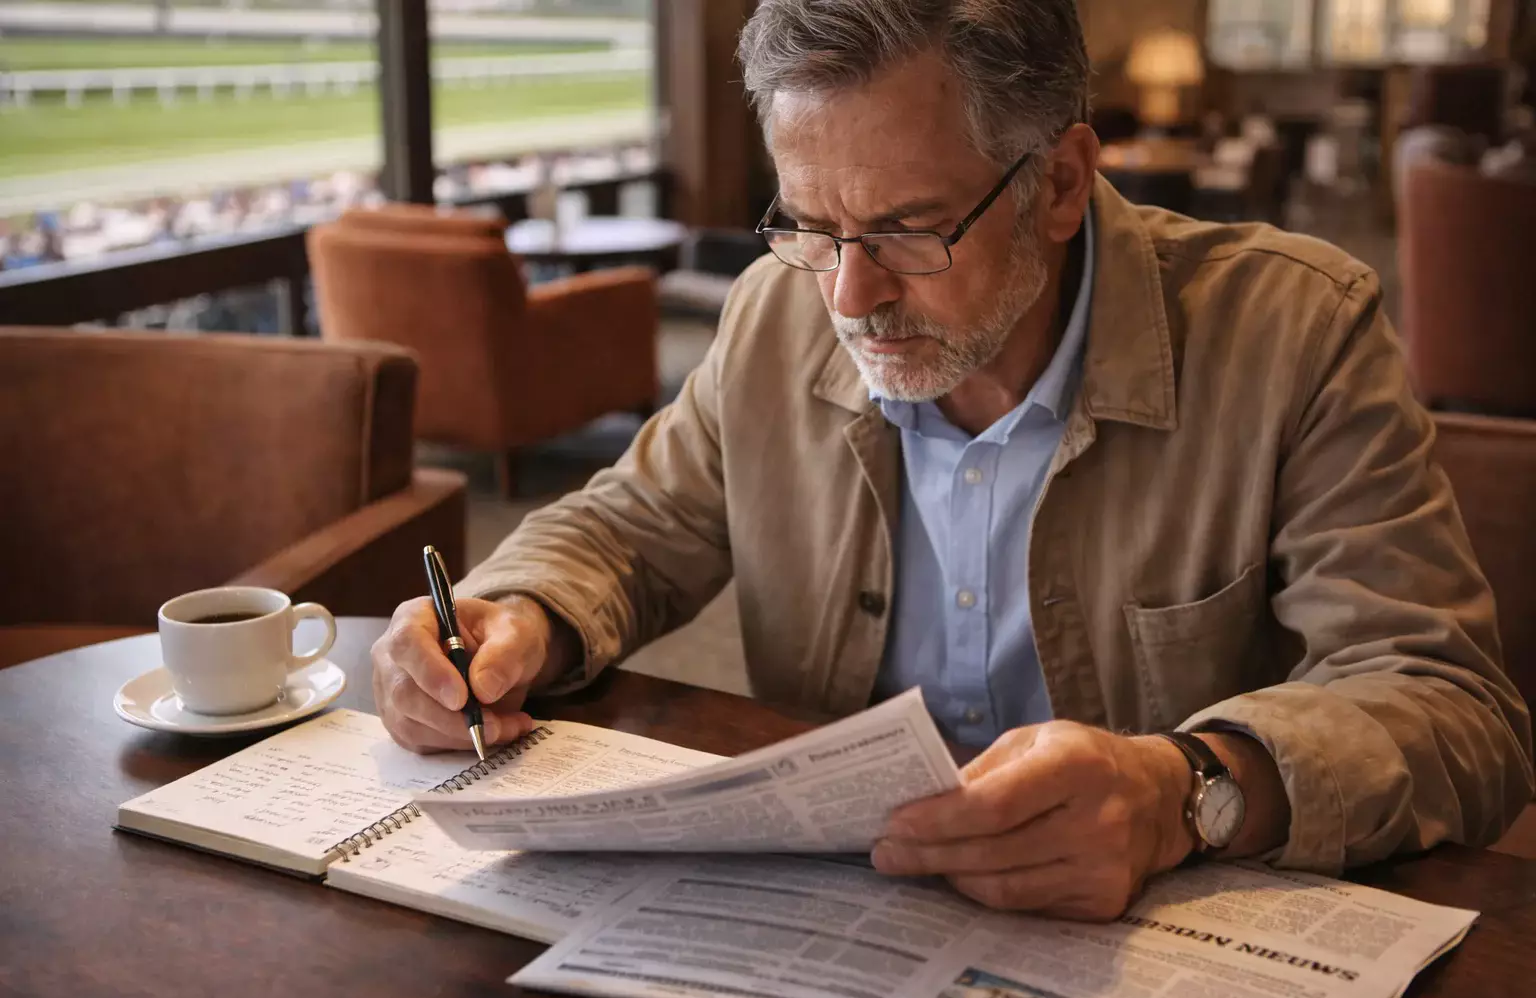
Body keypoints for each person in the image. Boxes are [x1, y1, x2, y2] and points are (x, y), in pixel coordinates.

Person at [371, 0, 1533, 920]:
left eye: (906, 231)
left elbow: (1456, 711)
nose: (850, 295)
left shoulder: (1298, 334)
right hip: (843, 917)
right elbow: (628, 527)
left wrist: (1190, 791)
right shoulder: (775, 318)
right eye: (811, 227)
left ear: (1063, 184)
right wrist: (513, 612)